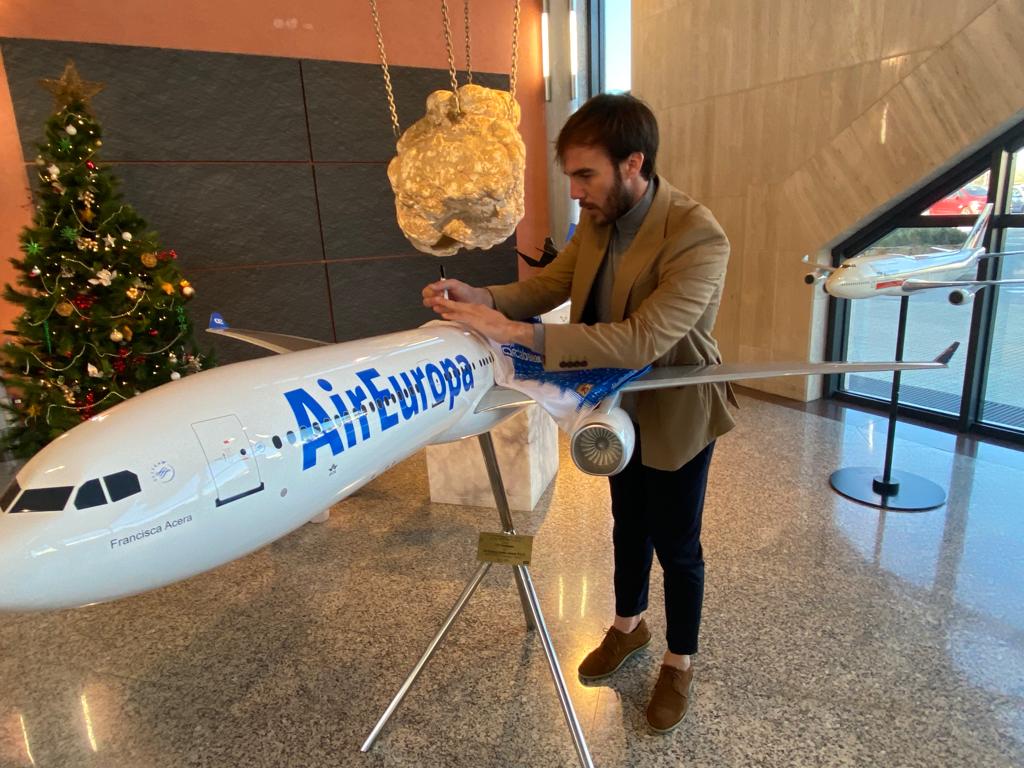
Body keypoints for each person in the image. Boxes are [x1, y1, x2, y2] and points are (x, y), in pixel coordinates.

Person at [421, 93, 735, 733]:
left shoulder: (697, 235)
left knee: (677, 543)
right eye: (570, 175)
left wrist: (515, 333)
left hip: (674, 408)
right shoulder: (597, 219)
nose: (574, 191)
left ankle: (680, 661)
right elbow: (550, 284)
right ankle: (628, 626)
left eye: (585, 175)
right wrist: (482, 297)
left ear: (633, 163)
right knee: (628, 524)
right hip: (609, 403)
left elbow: (642, 339)